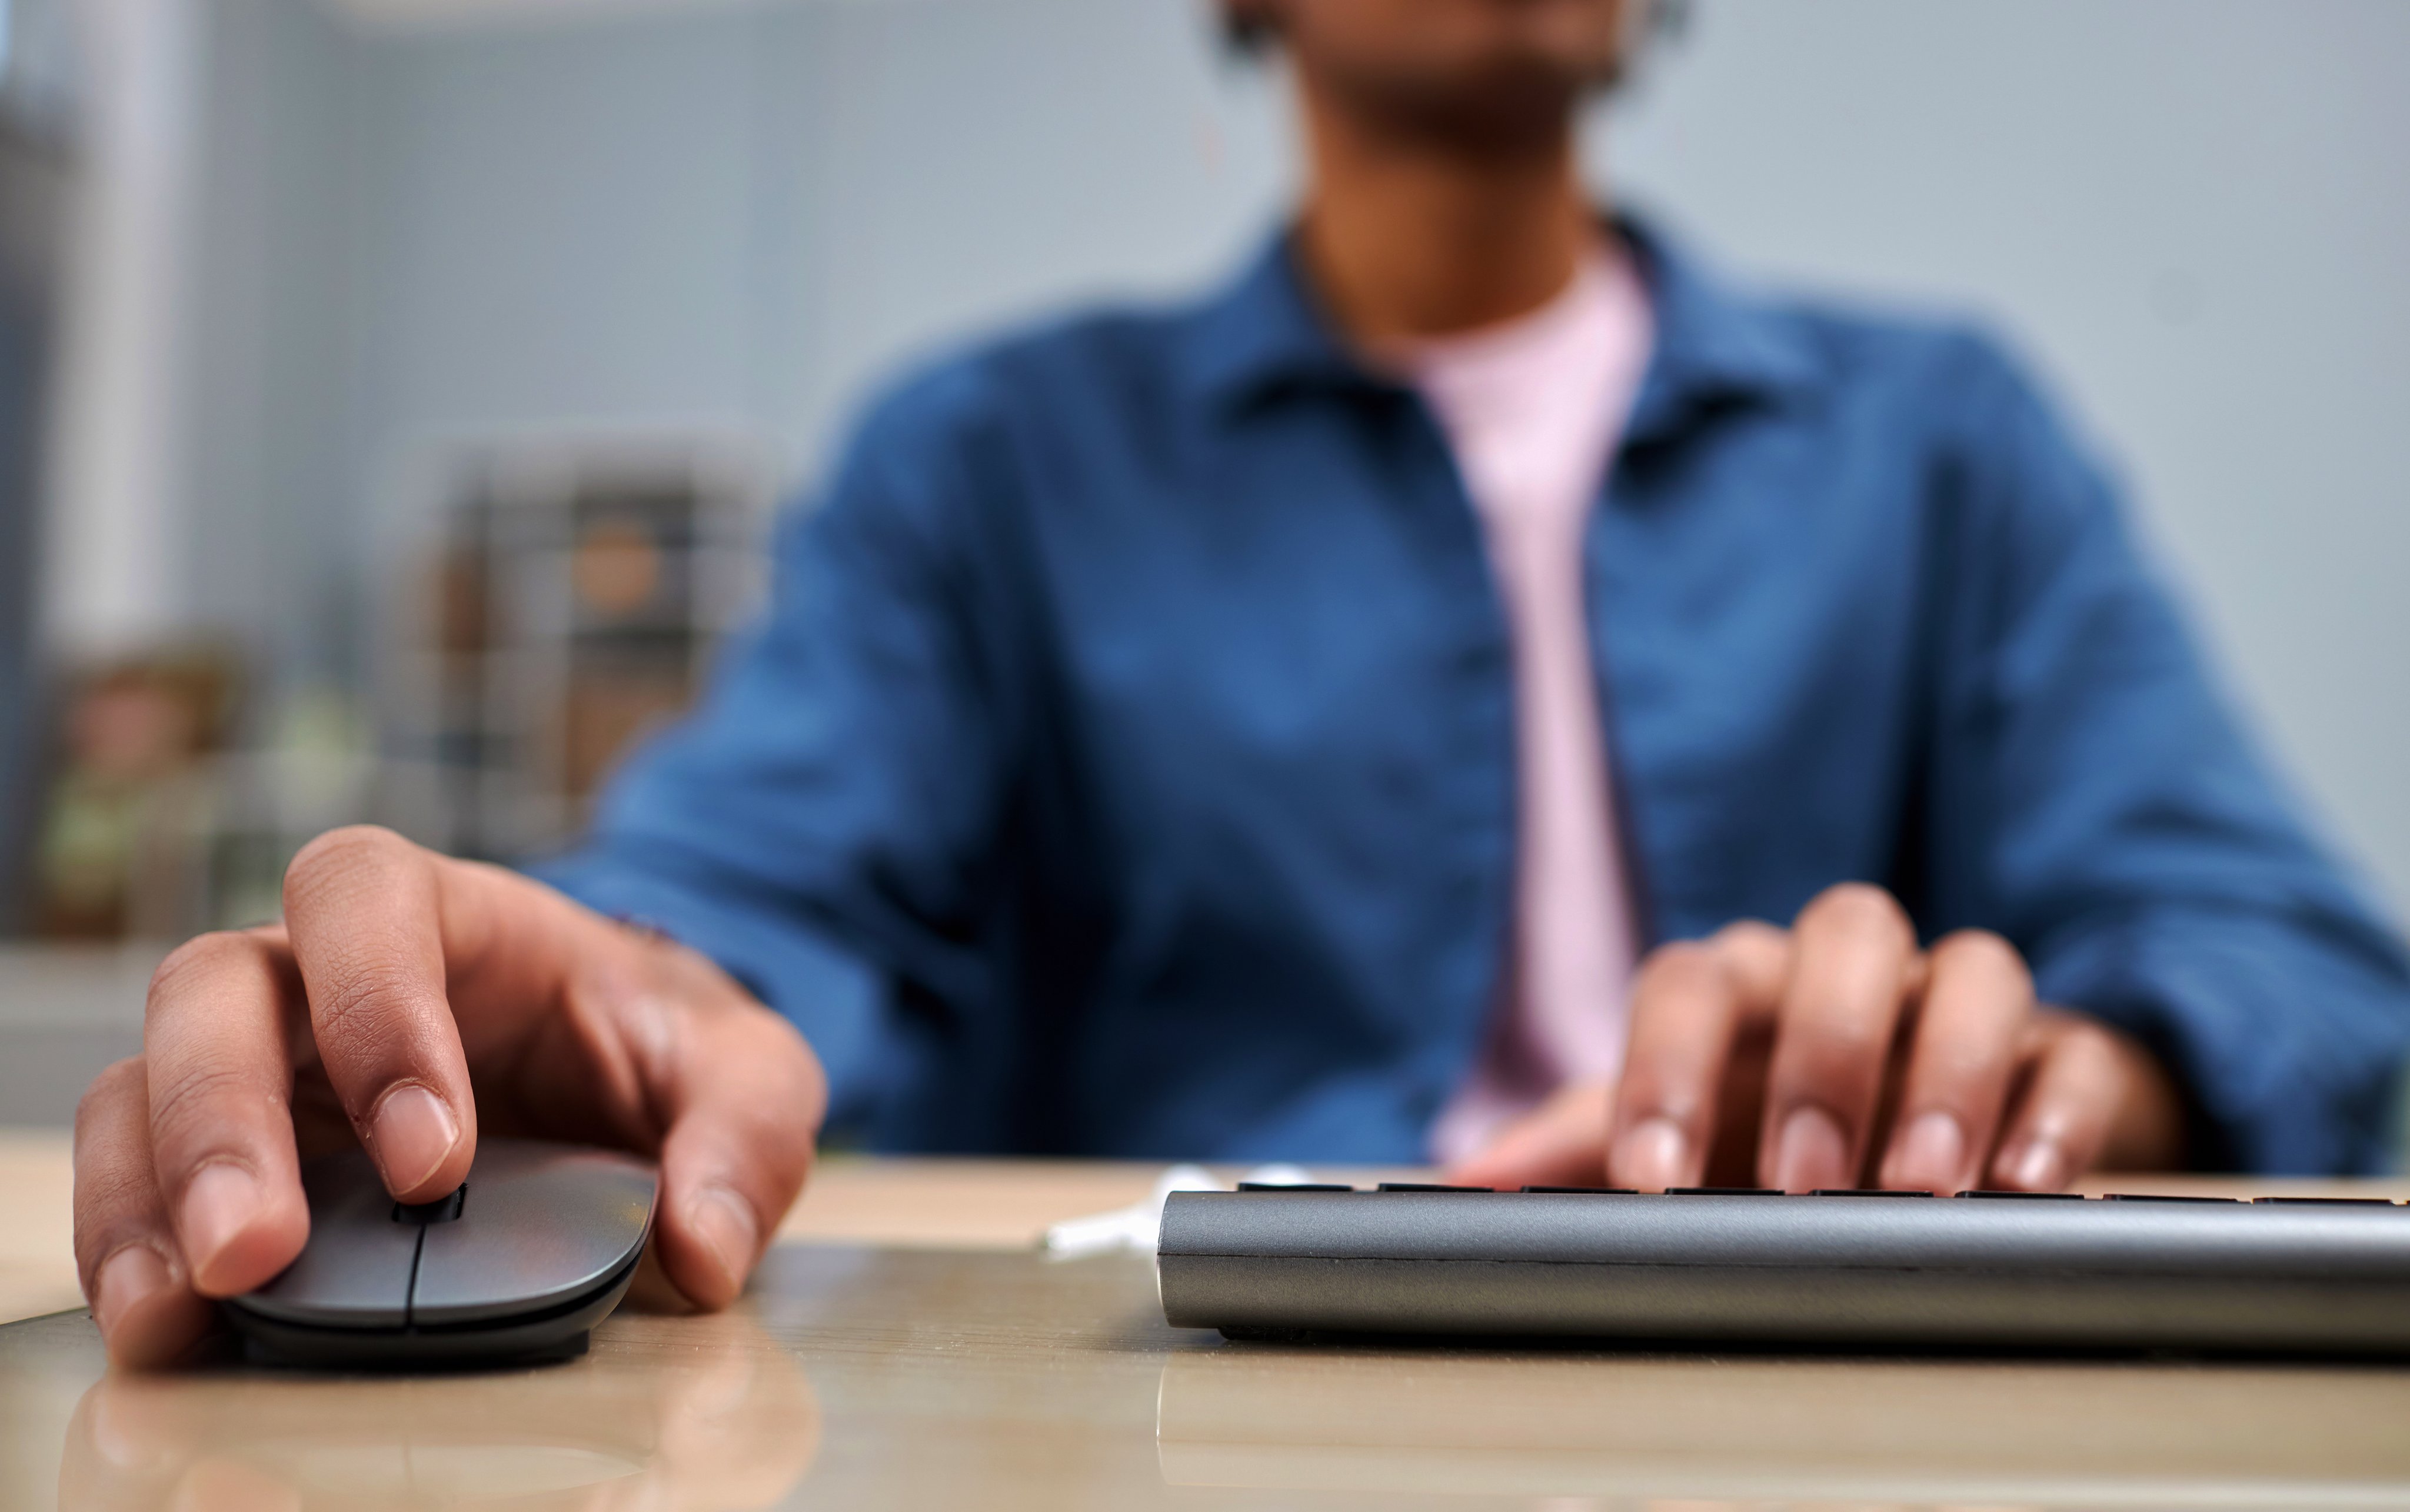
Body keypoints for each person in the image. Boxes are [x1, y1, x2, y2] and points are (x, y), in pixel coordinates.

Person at [74, 0, 2410, 1367]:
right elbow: (749, 901)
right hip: (1187, 1406)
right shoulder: (988, 459)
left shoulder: (1944, 440)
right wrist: (618, 997)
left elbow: (2283, 950)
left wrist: (2074, 1073)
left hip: (1843, 1403)